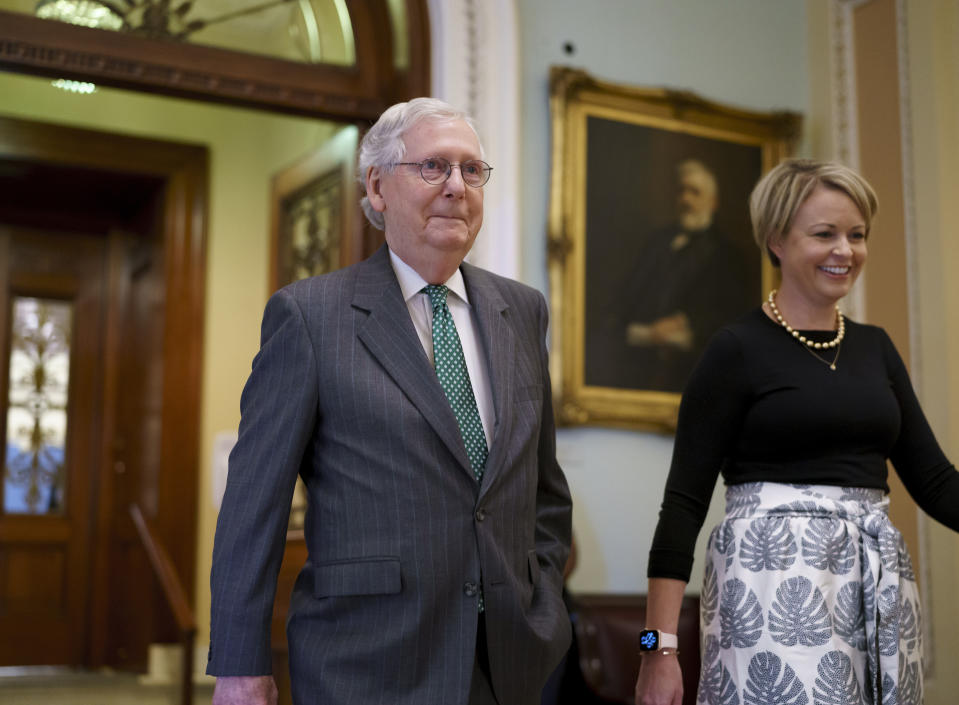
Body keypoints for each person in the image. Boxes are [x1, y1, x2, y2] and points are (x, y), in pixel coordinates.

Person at [207, 98, 573, 705]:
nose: (457, 187)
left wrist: (544, 604)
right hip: (366, 661)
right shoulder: (310, 316)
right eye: (434, 167)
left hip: (507, 661)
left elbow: (544, 491)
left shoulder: (522, 310)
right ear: (377, 186)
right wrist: (240, 665)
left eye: (472, 170)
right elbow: (254, 504)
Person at [634, 159, 959, 705]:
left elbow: (935, 481)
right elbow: (682, 506)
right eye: (825, 234)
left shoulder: (876, 347)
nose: (846, 251)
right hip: (768, 585)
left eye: (857, 235)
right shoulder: (734, 349)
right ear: (776, 241)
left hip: (874, 584)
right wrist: (657, 651)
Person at [589, 159, 753, 393]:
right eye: (682, 191)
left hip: (693, 364)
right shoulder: (657, 242)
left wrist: (684, 321)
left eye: (695, 192)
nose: (685, 200)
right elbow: (628, 295)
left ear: (713, 202)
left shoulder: (728, 255)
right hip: (640, 356)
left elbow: (732, 314)